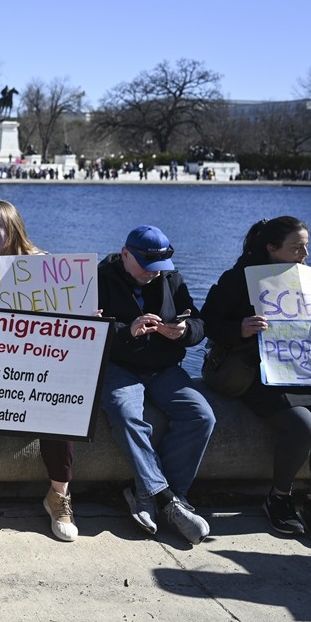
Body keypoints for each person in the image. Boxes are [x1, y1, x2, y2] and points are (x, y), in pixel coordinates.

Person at [200, 216, 311, 547]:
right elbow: (209, 322)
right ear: (272, 248)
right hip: (259, 372)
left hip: (305, 369)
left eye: (306, 246)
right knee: (303, 426)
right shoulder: (238, 279)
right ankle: (279, 497)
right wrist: (240, 328)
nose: (305, 254)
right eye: (297, 247)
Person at [0, 200, 78, 542]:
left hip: (36, 363)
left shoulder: (44, 266)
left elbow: (67, 317)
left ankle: (59, 494)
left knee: (62, 410)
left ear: (13, 227)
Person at [97, 225, 214, 545]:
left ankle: (148, 493)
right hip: (118, 367)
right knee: (125, 412)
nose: (153, 274)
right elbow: (84, 329)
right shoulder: (98, 278)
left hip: (164, 368)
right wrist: (125, 330)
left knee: (202, 416)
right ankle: (169, 502)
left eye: (159, 268)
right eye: (147, 266)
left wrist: (184, 331)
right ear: (125, 255)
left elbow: (200, 324)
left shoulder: (171, 278)